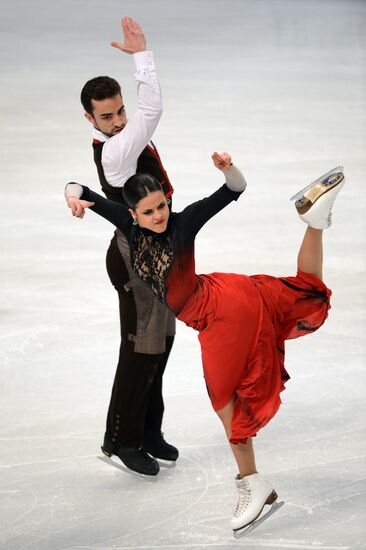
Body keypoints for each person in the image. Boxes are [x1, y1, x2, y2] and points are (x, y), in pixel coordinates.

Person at [64, 153, 344, 532]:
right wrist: (72, 195)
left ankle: (253, 483)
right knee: (302, 291)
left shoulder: (183, 224)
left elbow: (234, 190)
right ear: (131, 215)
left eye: (162, 205)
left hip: (220, 314)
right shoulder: (126, 223)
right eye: (148, 212)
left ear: (167, 199)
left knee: (224, 399)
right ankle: (314, 222)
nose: (159, 215)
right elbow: (82, 189)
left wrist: (228, 170)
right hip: (229, 293)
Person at [79, 16, 177, 476]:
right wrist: (143, 57)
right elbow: (152, 111)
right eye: (107, 116)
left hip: (156, 253)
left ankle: (148, 430)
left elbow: (143, 118)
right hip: (132, 261)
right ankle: (119, 439)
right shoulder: (117, 151)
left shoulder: (120, 136)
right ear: (90, 118)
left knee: (161, 346)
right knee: (140, 349)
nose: (119, 122)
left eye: (120, 111)